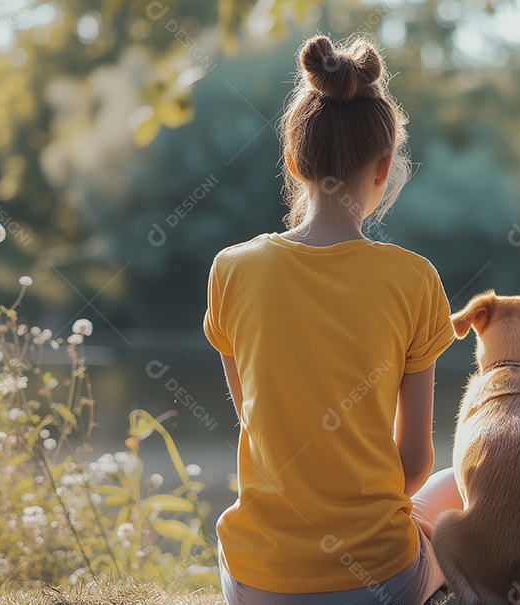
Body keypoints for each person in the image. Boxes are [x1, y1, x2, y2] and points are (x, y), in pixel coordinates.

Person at [203, 33, 464, 605]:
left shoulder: (232, 269)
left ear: (294, 160)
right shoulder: (415, 279)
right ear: (384, 167)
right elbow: (415, 465)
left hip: (259, 584)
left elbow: (256, 418)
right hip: (378, 582)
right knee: (462, 488)